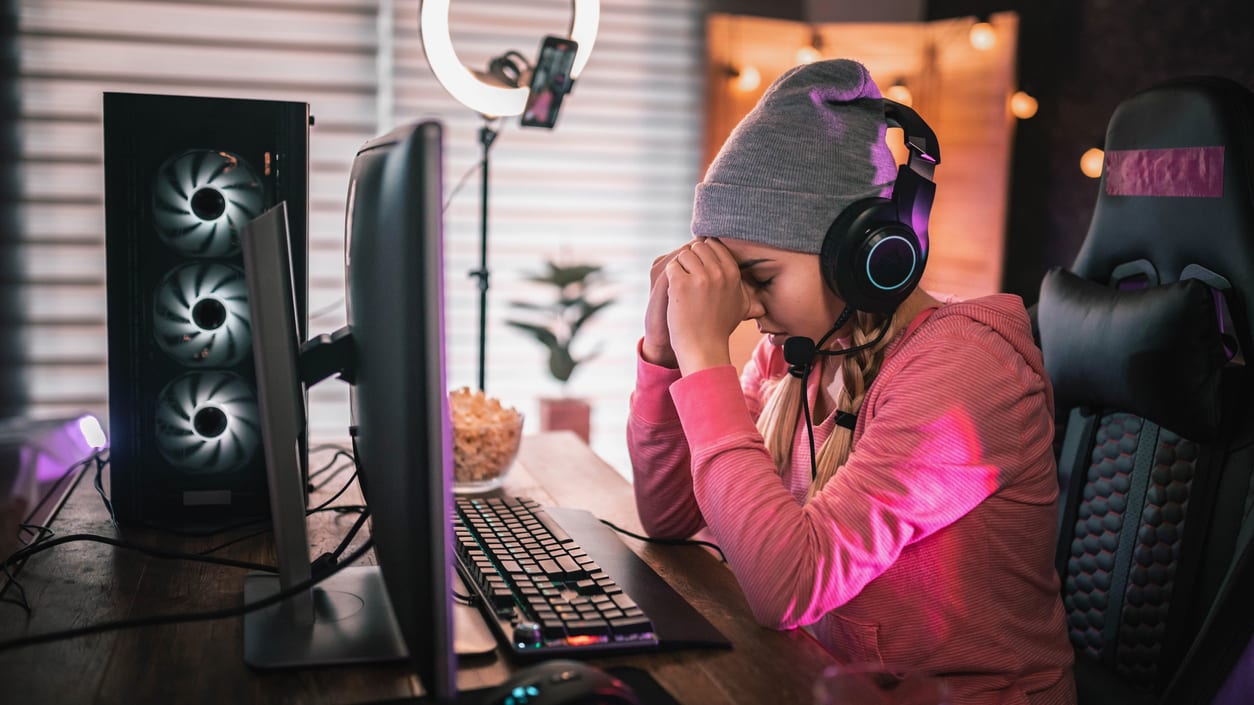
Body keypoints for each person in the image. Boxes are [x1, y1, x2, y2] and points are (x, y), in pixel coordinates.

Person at [627, 58, 1076, 704]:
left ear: (868, 255)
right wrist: (665, 353)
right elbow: (669, 515)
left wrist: (705, 358)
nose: (746, 307)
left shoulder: (966, 372)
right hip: (824, 682)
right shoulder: (797, 358)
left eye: (759, 276)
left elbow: (788, 584)